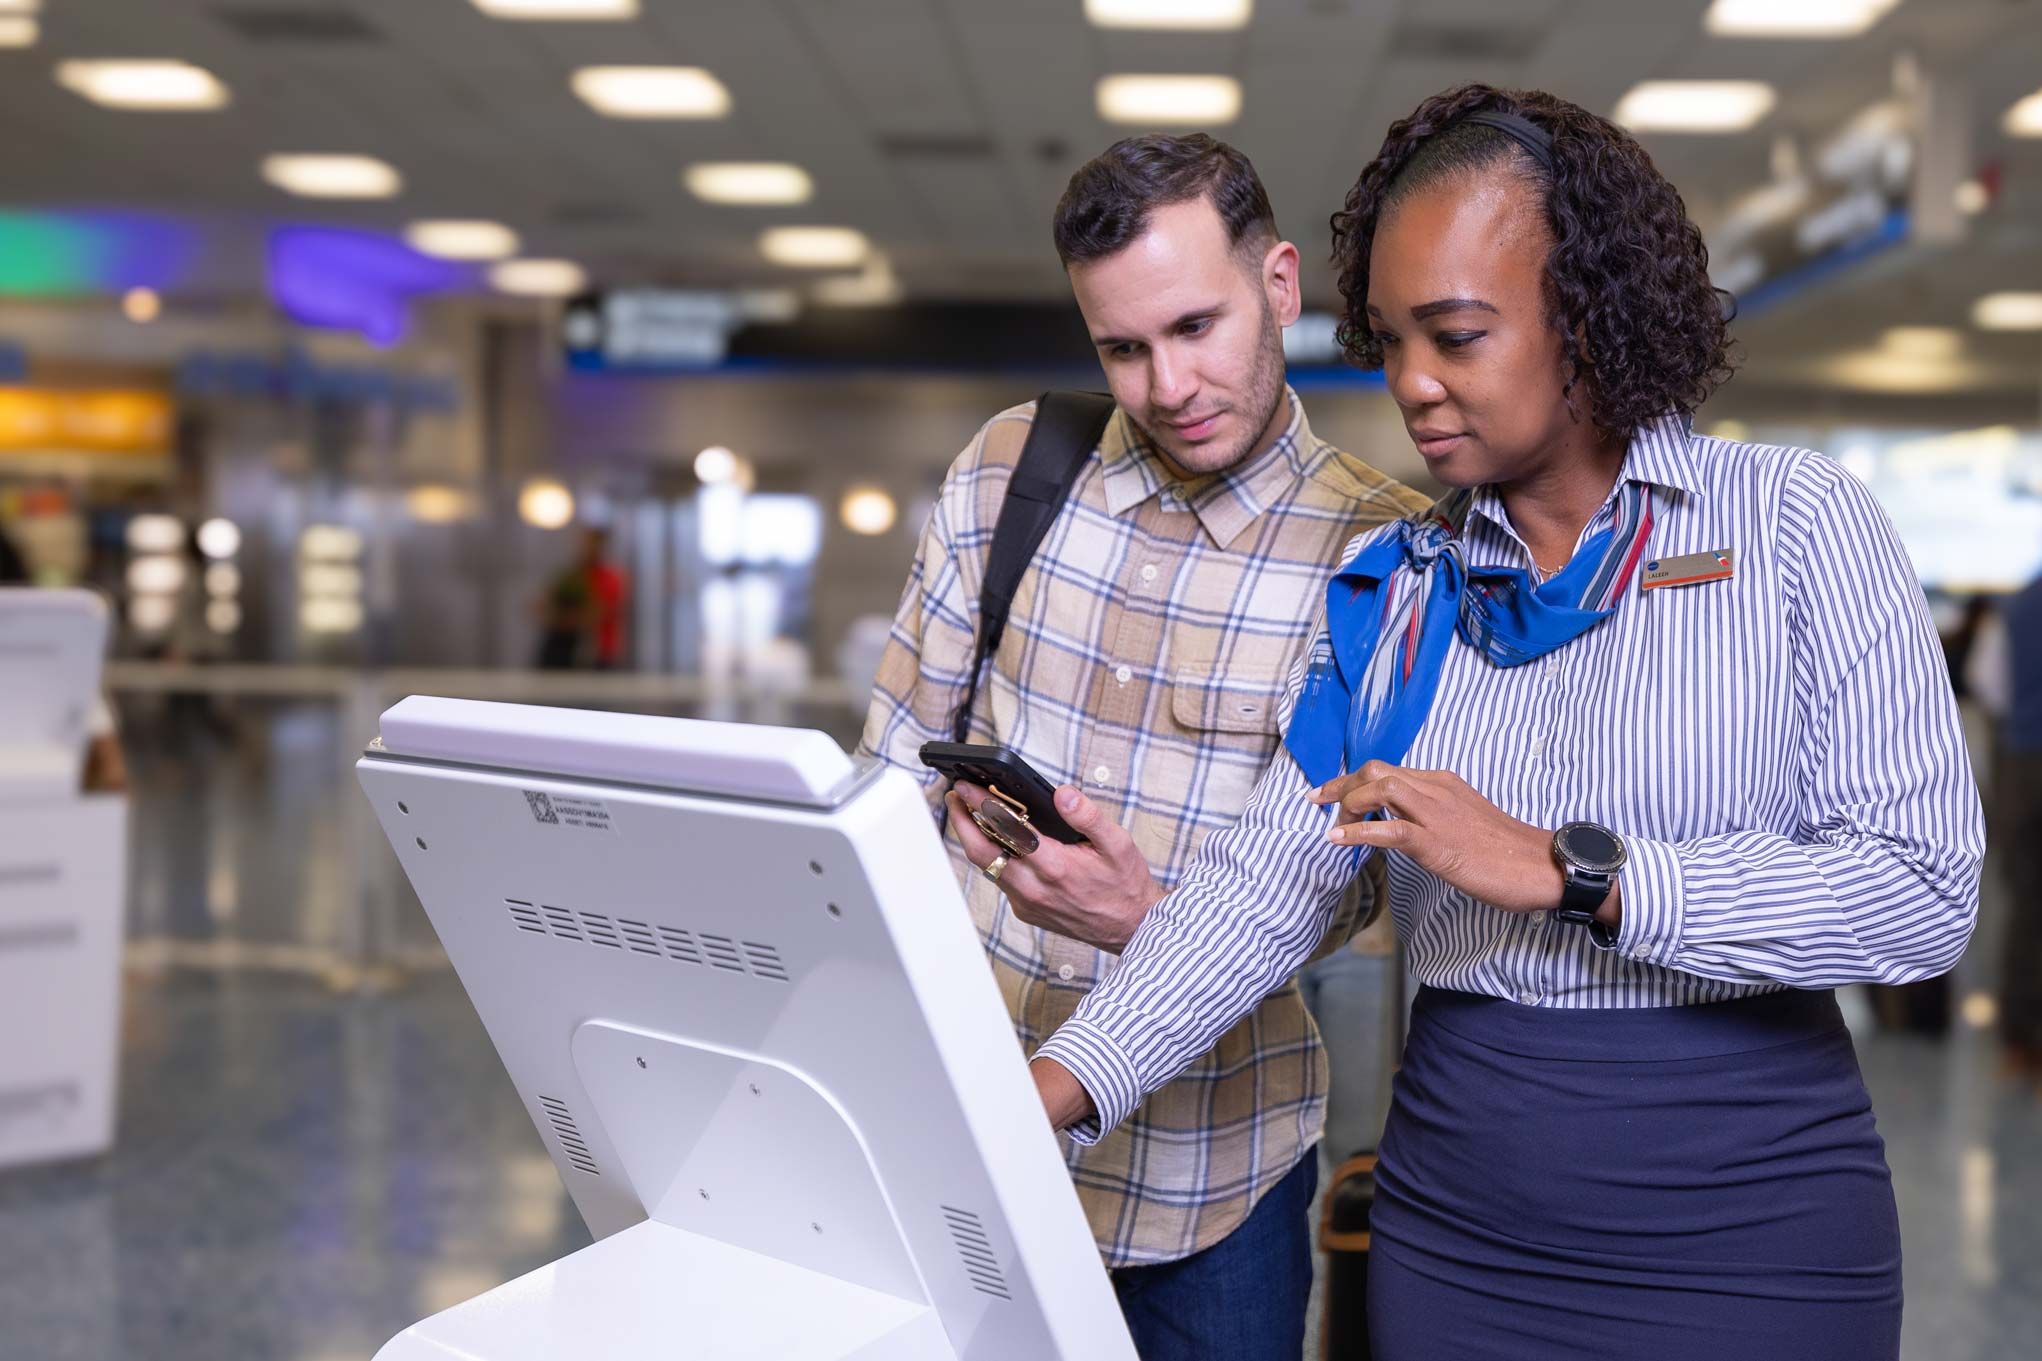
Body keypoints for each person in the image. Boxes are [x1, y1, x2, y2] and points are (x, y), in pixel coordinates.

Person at [1026, 85, 1983, 1360]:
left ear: (1585, 316)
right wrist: (1055, 1083)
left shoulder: (1792, 528)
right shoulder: (1400, 590)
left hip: (1751, 1222)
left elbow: (1916, 890)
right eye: (1389, 339)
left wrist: (1574, 871)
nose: (1412, 385)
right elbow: (1264, 886)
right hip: (1460, 1229)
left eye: (1457, 335)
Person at [858, 133, 1426, 1358]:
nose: (1169, 383)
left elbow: (1362, 881)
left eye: (1194, 326)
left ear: (1278, 286)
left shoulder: (1385, 556)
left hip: (1213, 1174)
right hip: (966, 1137)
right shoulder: (1015, 470)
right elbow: (891, 777)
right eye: (1122, 347)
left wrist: (1147, 918)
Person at [1967, 585, 2042, 1080]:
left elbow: (1986, 683)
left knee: (2026, 905)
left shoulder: (2016, 608)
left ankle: (2021, 1037)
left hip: (2025, 763)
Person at [534, 527, 628, 670]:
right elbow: (541, 606)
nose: (586, 548)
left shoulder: (610, 578)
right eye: (583, 544)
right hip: (567, 650)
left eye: (591, 544)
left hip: (599, 653)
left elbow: (598, 613)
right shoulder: (571, 576)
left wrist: (562, 618)